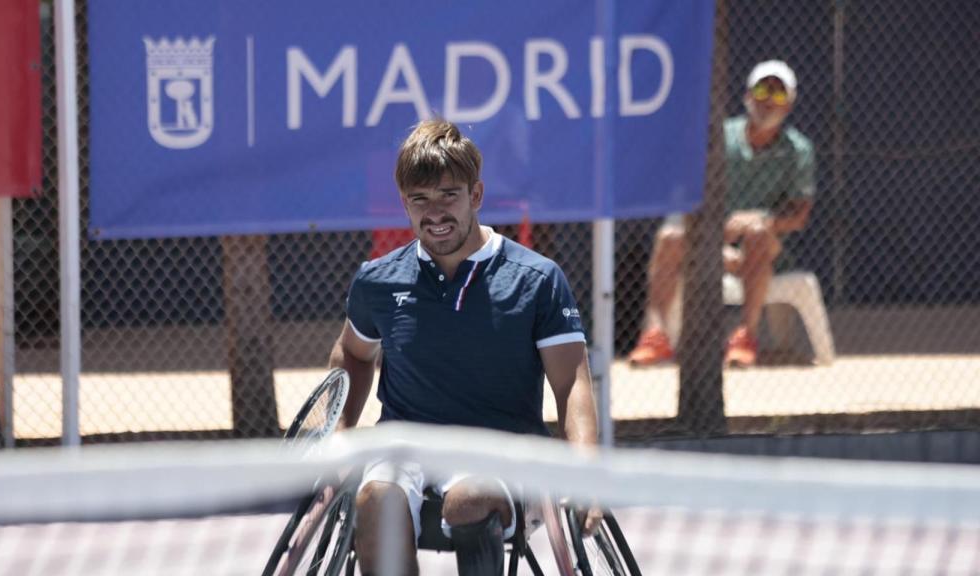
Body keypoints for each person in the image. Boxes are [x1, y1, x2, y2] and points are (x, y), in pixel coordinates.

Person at [328, 119, 599, 575]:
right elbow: (354, 354)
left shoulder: (537, 279)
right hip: (404, 447)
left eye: (448, 195)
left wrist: (586, 468)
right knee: (374, 501)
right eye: (420, 200)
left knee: (470, 500)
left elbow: (571, 380)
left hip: (503, 451)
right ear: (404, 204)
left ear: (475, 195)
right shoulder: (376, 281)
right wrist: (338, 436)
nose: (434, 212)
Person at [628, 59, 816, 368]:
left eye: (779, 94)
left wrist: (762, 220)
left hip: (767, 252)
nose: (769, 100)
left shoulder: (799, 149)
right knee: (669, 236)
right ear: (747, 96)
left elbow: (799, 216)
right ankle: (656, 336)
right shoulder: (719, 137)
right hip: (709, 242)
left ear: (790, 104)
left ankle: (745, 337)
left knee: (756, 233)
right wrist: (715, 238)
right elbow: (690, 197)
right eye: (763, 90)